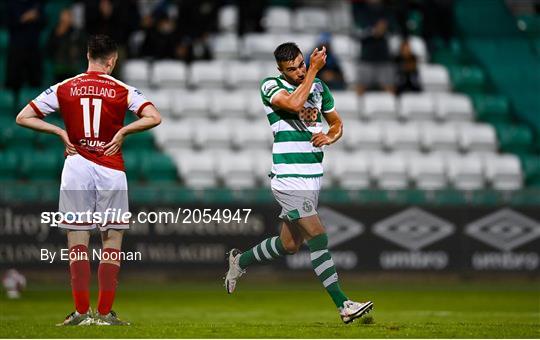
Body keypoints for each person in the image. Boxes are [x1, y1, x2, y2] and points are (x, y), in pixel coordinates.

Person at [15, 34, 162, 326]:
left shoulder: (65, 87)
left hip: (77, 165)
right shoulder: (123, 89)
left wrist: (60, 132)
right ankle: (105, 314)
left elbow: (23, 116)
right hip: (110, 166)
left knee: (77, 239)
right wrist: (122, 133)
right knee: (112, 240)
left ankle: (81, 313)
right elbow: (154, 117)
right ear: (112, 61)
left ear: (87, 56)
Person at [224, 42, 373, 324]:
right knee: (318, 236)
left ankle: (239, 261)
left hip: (312, 176)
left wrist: (331, 136)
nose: (297, 72)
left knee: (289, 245)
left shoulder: (319, 89)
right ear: (280, 70)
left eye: (301, 66)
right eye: (291, 70)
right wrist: (315, 70)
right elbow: (292, 103)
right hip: (289, 177)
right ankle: (344, 305)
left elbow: (337, 123)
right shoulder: (271, 86)